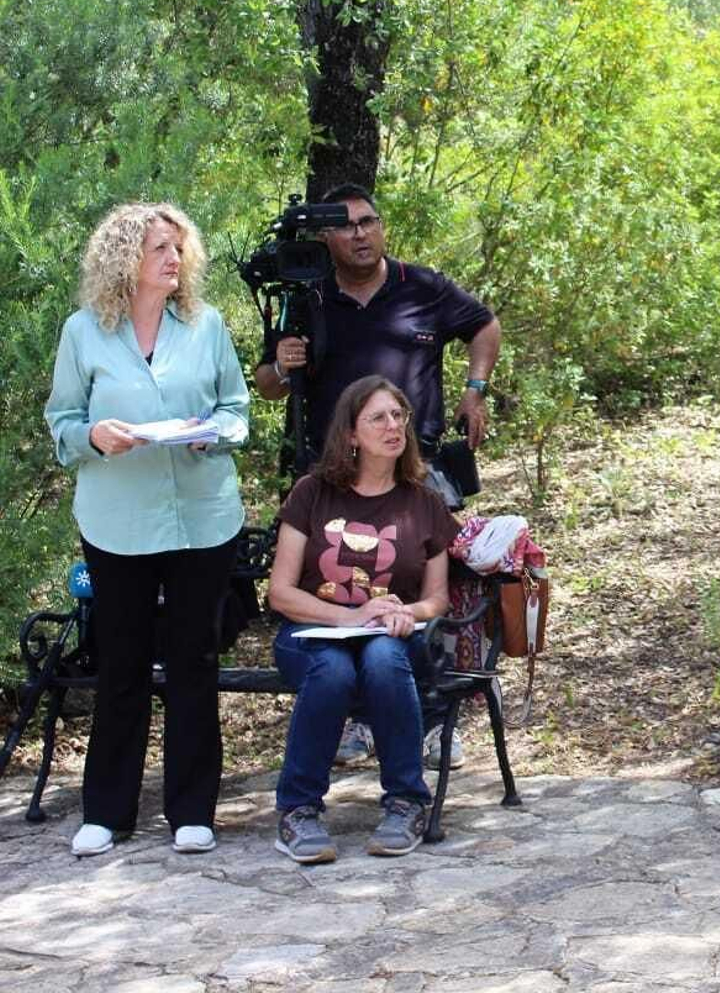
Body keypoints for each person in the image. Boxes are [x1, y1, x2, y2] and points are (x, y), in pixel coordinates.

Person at [254, 183, 499, 770]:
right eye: (346, 226)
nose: (360, 234)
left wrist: (475, 390)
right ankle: (352, 722)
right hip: (332, 474)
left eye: (369, 221)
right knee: (340, 584)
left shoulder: (423, 287)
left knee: (426, 592)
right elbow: (266, 384)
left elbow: (485, 326)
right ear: (327, 239)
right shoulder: (305, 299)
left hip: (421, 471)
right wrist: (281, 366)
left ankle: (437, 721)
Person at [45, 202, 250, 857]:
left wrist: (210, 434)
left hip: (203, 519)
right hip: (117, 524)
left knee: (193, 660)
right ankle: (107, 812)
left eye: (178, 247)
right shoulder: (83, 332)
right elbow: (62, 423)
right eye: (159, 247)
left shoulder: (207, 326)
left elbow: (237, 411)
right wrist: (93, 437)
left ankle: (194, 812)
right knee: (122, 664)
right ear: (123, 258)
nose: (173, 258)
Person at [267, 375, 459, 863]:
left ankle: (405, 802)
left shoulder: (425, 503)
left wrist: (403, 612)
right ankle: (298, 812)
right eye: (378, 417)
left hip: (392, 637)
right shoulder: (313, 493)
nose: (393, 426)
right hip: (311, 633)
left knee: (382, 658)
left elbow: (437, 599)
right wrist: (349, 614)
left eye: (399, 416)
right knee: (331, 670)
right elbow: (281, 592)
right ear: (351, 434)